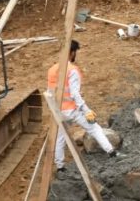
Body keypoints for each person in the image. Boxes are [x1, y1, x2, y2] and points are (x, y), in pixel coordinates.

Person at [47, 40, 116, 172]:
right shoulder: (72, 70)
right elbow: (74, 94)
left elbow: (51, 92)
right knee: (94, 128)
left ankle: (60, 166)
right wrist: (86, 110)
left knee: (61, 137)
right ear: (72, 53)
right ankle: (111, 152)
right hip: (73, 110)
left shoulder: (52, 70)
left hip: (59, 110)